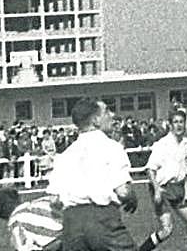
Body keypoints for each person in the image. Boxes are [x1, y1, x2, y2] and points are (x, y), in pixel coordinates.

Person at [47, 98, 139, 251]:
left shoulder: (65, 154)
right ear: (96, 120)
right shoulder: (112, 147)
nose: (112, 115)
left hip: (71, 225)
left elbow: (54, 200)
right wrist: (132, 197)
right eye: (107, 111)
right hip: (102, 220)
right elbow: (123, 191)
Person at [138, 109, 187, 251]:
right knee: (167, 230)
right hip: (162, 188)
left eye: (181, 122)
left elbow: (184, 171)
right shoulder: (162, 145)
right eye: (175, 122)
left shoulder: (186, 144)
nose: (179, 125)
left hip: (178, 188)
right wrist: (157, 190)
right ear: (170, 125)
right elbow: (150, 169)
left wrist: (186, 191)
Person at [0, 187, 64, 251]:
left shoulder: (15, 221)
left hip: (58, 244)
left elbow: (23, 248)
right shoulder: (41, 201)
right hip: (69, 232)